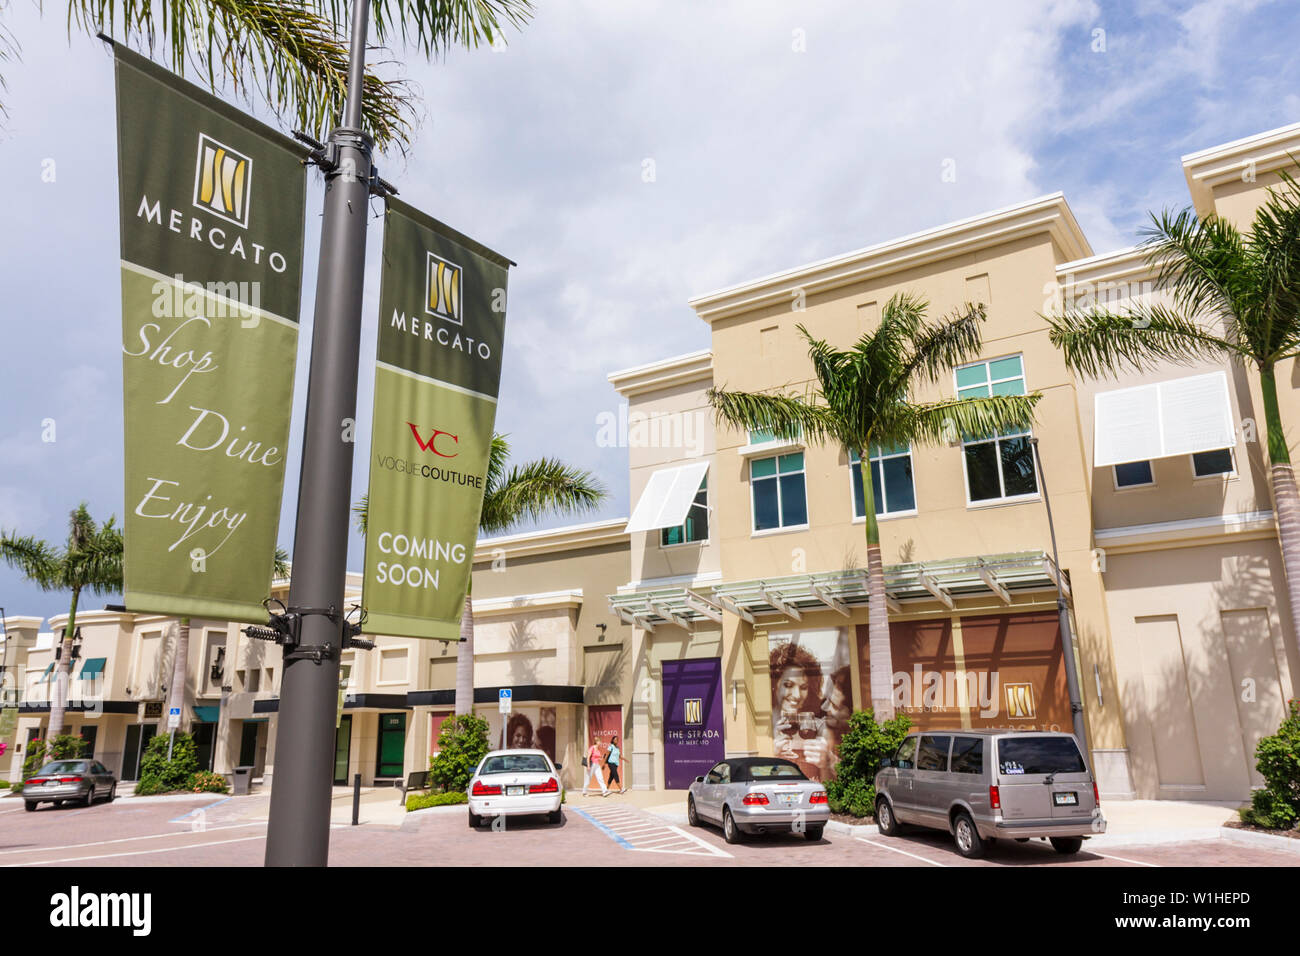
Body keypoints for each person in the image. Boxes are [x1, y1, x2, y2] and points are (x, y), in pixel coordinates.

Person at [769, 642, 825, 780]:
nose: (797, 695)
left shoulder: (817, 725)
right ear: (773, 685)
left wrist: (826, 762)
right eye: (788, 685)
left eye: (803, 687)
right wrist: (771, 753)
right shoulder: (763, 726)